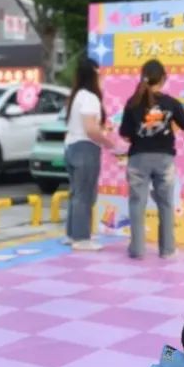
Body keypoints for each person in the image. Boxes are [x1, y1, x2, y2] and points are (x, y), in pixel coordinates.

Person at [119, 59, 184, 259]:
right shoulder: (171, 103)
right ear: (163, 78)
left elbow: (124, 133)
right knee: (166, 203)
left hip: (138, 158)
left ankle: (137, 250)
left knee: (137, 203)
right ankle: (167, 249)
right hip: (164, 158)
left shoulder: (133, 103)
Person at [63, 57, 115, 251]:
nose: (102, 76)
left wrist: (101, 131)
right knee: (84, 194)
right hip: (85, 149)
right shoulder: (90, 97)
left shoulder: (77, 95)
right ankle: (81, 238)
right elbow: (91, 129)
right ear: (94, 73)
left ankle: (72, 234)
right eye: (100, 72)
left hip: (71, 147)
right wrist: (109, 143)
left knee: (76, 193)